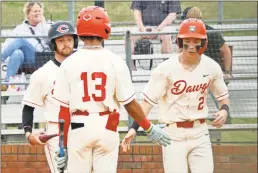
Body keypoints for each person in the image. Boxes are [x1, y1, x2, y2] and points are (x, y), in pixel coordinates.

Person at [52, 6, 171, 173]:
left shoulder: (68, 63)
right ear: (105, 28)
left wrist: (62, 146)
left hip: (79, 128)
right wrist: (148, 127)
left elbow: (63, 111)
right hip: (107, 126)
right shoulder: (115, 61)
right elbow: (129, 104)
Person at [122, 18, 230, 173]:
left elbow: (223, 96)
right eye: (187, 40)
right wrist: (133, 128)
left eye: (196, 40)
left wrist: (224, 110)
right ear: (179, 41)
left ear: (204, 42)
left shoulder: (211, 67)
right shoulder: (165, 69)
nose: (192, 45)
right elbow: (147, 103)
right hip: (173, 134)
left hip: (200, 131)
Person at [22, 21, 78, 173]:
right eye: (61, 40)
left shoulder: (83, 67)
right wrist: (28, 134)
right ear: (53, 44)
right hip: (57, 130)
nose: (66, 44)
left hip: (82, 126)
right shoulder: (42, 74)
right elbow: (28, 107)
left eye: (69, 39)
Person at [1, 1, 50, 85]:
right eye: (35, 11)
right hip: (26, 61)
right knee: (17, 53)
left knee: (20, 40)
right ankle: (7, 84)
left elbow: (50, 41)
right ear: (28, 15)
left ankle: (0, 58)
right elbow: (8, 43)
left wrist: (43, 24)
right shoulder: (20, 29)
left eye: (39, 11)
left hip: (41, 58)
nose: (38, 13)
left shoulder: (46, 26)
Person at [181, 6, 233, 80]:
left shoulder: (211, 32)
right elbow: (180, 53)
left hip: (211, 70)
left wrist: (227, 72)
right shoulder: (185, 32)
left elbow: (226, 50)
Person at [130, 0, 181, 69]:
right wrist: (142, 29)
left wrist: (157, 30)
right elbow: (136, 12)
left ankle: (167, 67)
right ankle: (131, 69)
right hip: (144, 27)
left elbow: (172, 15)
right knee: (129, 36)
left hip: (164, 27)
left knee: (166, 35)